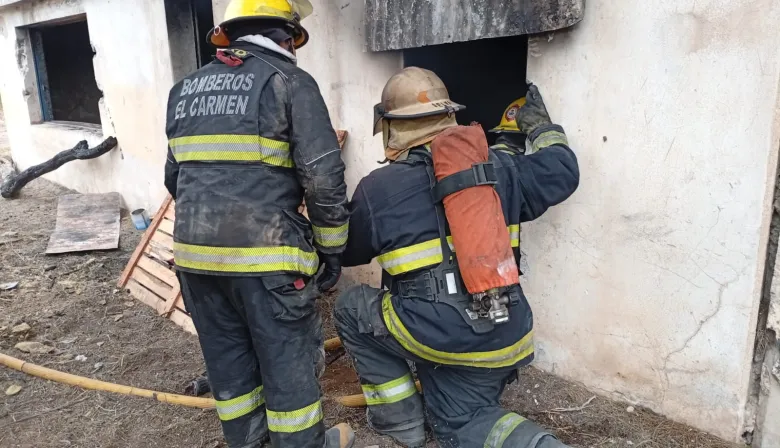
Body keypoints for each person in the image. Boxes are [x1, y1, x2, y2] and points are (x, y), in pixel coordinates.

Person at [333, 67, 580, 447]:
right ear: (450, 115)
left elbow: (346, 251)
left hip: (445, 337)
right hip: (506, 326)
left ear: (391, 128)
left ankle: (400, 423)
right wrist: (538, 128)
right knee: (458, 393)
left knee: (351, 306)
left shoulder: (378, 189)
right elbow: (562, 171)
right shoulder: (501, 168)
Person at [163, 1, 352, 447]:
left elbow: (175, 178)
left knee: (229, 366)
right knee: (288, 368)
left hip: (195, 262)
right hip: (268, 263)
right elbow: (323, 181)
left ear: (230, 36)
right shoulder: (290, 82)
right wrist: (330, 251)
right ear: (286, 37)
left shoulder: (184, 89)